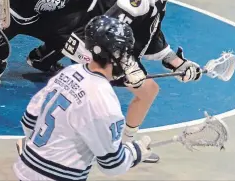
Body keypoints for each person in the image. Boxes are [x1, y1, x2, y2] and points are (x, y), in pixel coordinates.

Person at [32, 0, 203, 159]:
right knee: (137, 91)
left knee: (137, 91)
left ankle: (116, 143)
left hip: (105, 45)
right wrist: (129, 66)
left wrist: (175, 61)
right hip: (91, 44)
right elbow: (110, 31)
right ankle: (121, 146)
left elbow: (147, 33)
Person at [13, 15, 155, 181]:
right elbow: (112, 165)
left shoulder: (68, 73)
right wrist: (136, 152)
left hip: (25, 169)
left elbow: (29, 121)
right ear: (115, 54)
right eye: (124, 52)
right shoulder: (104, 100)